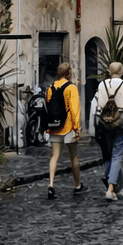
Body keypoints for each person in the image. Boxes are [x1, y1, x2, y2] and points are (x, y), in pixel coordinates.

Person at [92, 60, 123, 201]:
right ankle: (110, 188)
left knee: (109, 155)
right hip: (120, 122)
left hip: (104, 124)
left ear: (109, 72)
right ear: (121, 71)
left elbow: (99, 105)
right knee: (117, 156)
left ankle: (117, 187)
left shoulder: (101, 85)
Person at [46, 62, 83, 198]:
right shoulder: (71, 88)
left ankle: (50, 185)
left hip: (54, 127)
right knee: (73, 155)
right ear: (68, 73)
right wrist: (77, 128)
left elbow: (47, 106)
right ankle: (77, 185)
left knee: (54, 156)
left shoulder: (50, 88)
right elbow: (74, 110)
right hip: (68, 127)